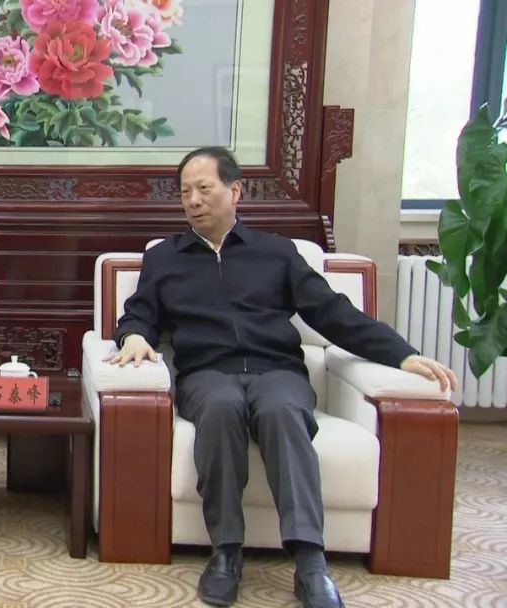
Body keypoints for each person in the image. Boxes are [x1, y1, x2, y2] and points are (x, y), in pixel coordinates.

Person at [107, 147, 456, 608]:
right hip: (207, 373)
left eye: (204, 188)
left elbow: (332, 313)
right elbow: (139, 314)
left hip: (277, 370)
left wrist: (402, 355)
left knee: (281, 411)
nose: (193, 200)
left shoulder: (276, 252)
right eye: (185, 192)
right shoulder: (165, 257)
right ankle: (225, 553)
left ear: (235, 191)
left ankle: (311, 562)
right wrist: (133, 336)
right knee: (221, 409)